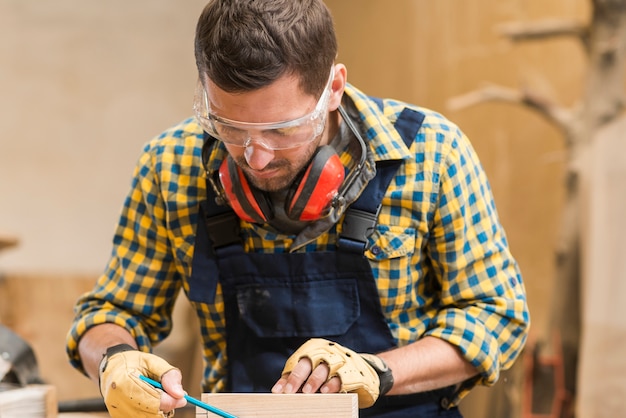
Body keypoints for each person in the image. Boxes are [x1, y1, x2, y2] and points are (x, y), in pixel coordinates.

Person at [66, 0, 530, 417]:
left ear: (333, 88)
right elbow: (110, 313)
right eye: (229, 127)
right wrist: (114, 359)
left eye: (281, 130)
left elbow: (496, 316)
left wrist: (377, 371)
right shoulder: (172, 166)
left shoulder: (432, 154)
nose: (256, 157)